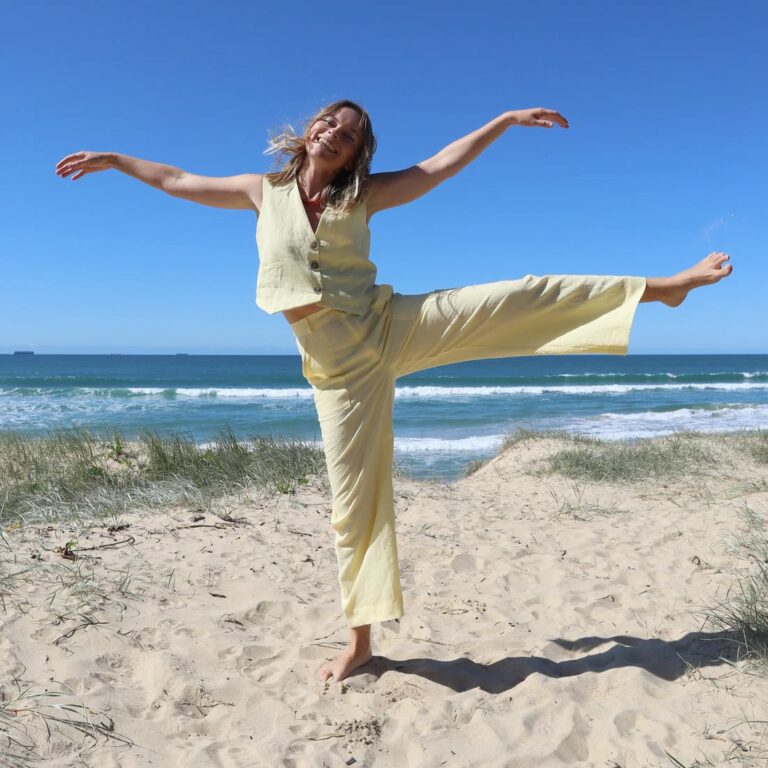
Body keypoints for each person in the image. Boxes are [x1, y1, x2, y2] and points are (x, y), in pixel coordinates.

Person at [56, 100, 732, 683]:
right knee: (355, 509)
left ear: (356, 154)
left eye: (349, 134)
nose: (334, 133)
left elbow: (439, 167)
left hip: (390, 326)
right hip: (339, 375)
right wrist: (117, 159)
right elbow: (176, 178)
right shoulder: (260, 190)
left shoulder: (363, 194)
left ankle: (661, 290)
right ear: (309, 130)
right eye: (330, 123)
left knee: (518, 296)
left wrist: (500, 121)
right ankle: (362, 646)